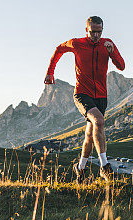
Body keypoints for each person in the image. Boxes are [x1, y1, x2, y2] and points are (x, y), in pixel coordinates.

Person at [44, 16, 125, 181]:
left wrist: (112, 52)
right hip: (82, 94)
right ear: (86, 30)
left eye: (99, 32)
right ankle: (104, 166)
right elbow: (59, 49)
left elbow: (121, 66)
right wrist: (50, 71)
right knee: (99, 121)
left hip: (101, 97)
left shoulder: (107, 43)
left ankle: (80, 169)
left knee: (89, 134)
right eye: (93, 32)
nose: (96, 36)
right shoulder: (77, 43)